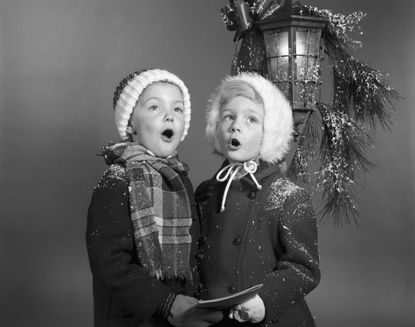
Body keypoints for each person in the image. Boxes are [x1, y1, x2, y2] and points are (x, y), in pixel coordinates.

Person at [86, 68, 223, 327]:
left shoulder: (178, 180)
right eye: (154, 108)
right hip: (133, 318)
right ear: (130, 125)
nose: (169, 116)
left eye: (178, 109)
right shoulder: (117, 182)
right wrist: (166, 303)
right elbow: (110, 263)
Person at [195, 72, 320, 326]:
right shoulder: (206, 193)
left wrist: (263, 301)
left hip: (270, 318)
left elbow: (304, 267)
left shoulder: (289, 196)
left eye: (251, 119)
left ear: (269, 132)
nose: (236, 125)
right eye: (229, 116)